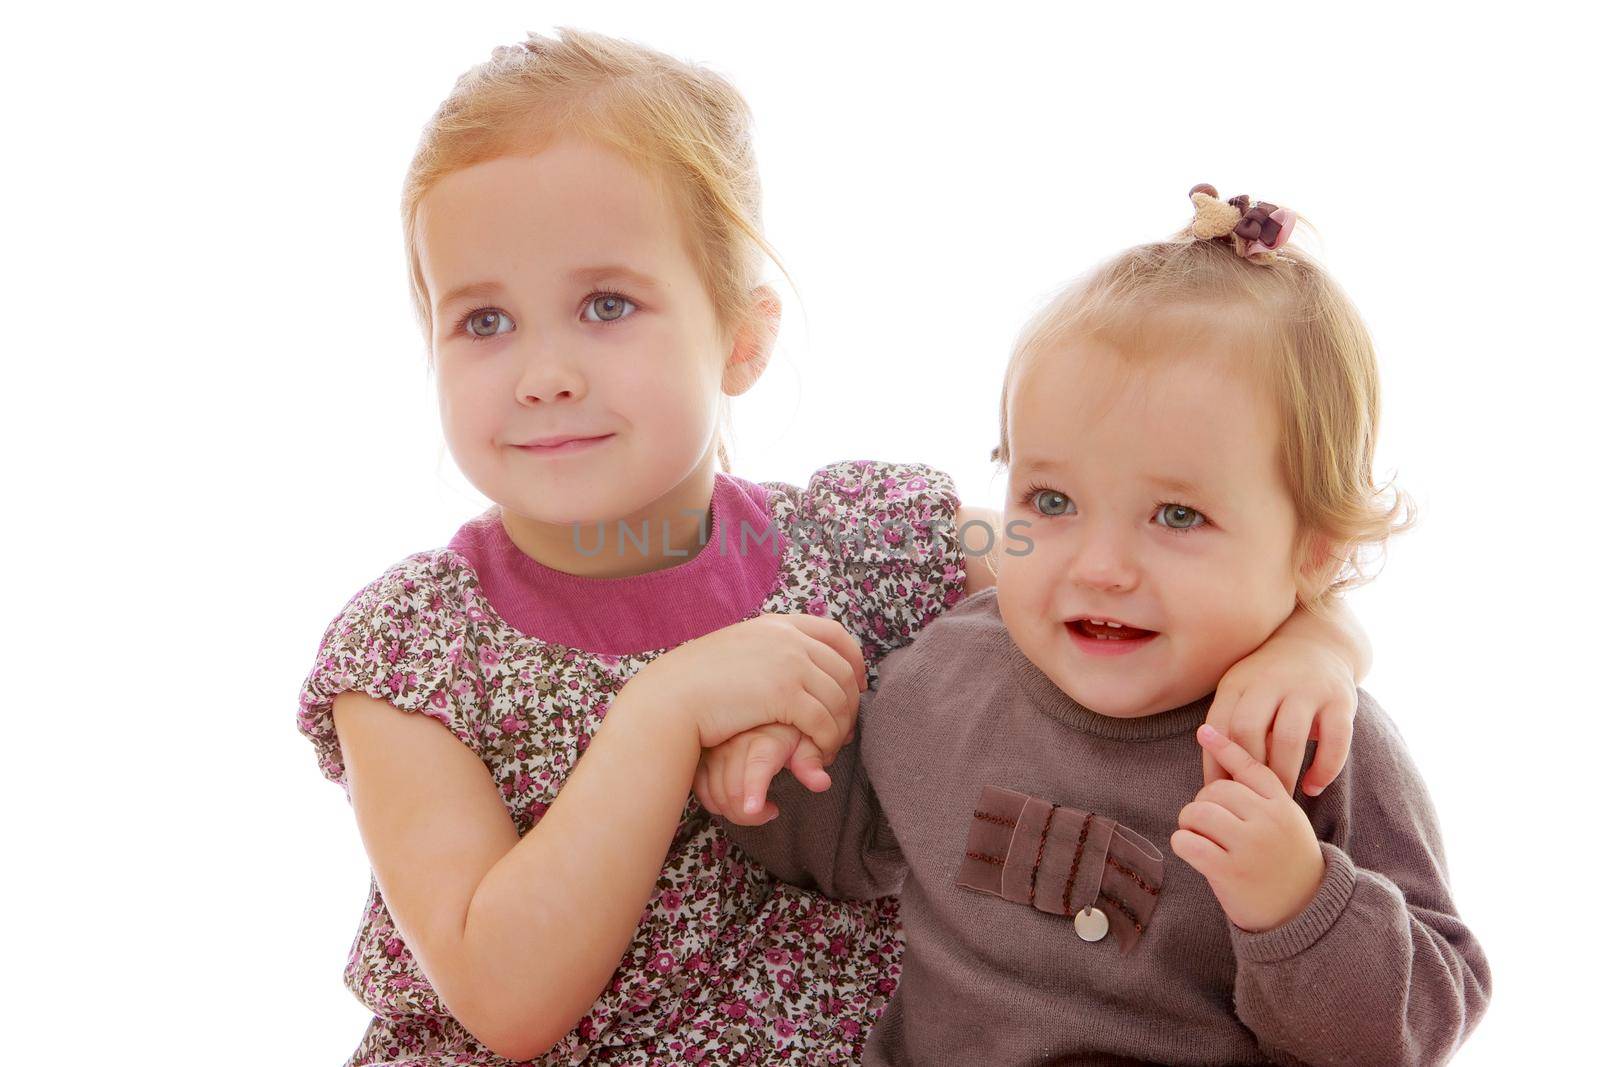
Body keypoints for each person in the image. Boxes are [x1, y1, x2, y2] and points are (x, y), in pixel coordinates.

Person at [297, 27, 1373, 1063]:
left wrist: (1313, 640)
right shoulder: (415, 650)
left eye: (606, 303)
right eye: (483, 320)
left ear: (743, 336)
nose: (541, 373)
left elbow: (1114, 569)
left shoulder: (870, 538)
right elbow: (505, 998)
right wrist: (663, 710)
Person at [700, 187, 1491, 1065]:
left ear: (1313, 549)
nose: (1101, 566)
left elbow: (1423, 1021)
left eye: (1178, 516)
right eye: (1052, 501)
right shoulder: (949, 672)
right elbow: (853, 847)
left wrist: (1301, 903)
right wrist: (768, 774)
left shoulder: (1314, 743)